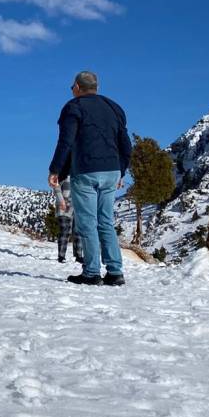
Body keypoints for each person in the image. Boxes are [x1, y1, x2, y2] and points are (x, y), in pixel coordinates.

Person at [48, 70, 133, 285]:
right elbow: (125, 144)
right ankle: (115, 272)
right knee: (106, 221)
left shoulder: (73, 107)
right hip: (111, 171)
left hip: (86, 170)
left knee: (87, 223)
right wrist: (121, 170)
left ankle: (91, 272)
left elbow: (66, 142)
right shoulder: (114, 107)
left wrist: (56, 170)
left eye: (71, 87)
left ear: (77, 86)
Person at [53, 172, 84, 265]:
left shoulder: (80, 174)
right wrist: (61, 200)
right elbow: (56, 187)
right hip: (64, 205)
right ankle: (61, 256)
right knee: (65, 230)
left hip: (77, 206)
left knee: (78, 231)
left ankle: (79, 256)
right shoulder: (62, 173)